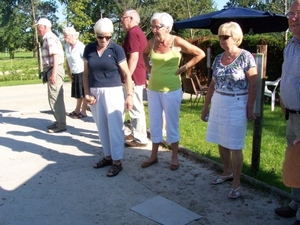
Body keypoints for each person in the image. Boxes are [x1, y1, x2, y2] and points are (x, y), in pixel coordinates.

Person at [200, 22, 258, 199]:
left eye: (225, 37)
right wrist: (205, 106)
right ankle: (227, 172)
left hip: (237, 103)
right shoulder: (218, 58)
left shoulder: (246, 57)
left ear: (236, 38)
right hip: (219, 101)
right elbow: (212, 84)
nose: (221, 40)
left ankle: (237, 182)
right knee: (221, 139)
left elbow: (254, 83)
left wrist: (249, 108)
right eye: (219, 36)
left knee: (234, 144)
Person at [142, 12, 205, 170]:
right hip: (153, 89)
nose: (154, 30)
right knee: (155, 123)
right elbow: (143, 53)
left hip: (171, 89)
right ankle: (154, 155)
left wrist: (185, 67)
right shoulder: (152, 42)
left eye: (157, 27)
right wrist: (148, 68)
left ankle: (174, 156)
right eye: (153, 26)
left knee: (172, 123)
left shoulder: (176, 41)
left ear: (168, 27)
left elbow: (200, 53)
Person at [83, 18, 133, 177]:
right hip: (95, 92)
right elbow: (85, 74)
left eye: (108, 37)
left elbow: (127, 73)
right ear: (95, 35)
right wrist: (86, 93)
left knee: (115, 126)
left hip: (113, 91)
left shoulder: (116, 49)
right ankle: (108, 156)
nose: (104, 40)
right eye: (100, 37)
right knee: (102, 126)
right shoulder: (88, 49)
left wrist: (129, 95)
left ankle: (117, 162)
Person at [274, 0, 300, 224]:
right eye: (291, 13)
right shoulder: (291, 44)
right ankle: (296, 203)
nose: (293, 18)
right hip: (292, 114)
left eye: (298, 13)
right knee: (294, 161)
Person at [120, 9, 148, 148]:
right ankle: (137, 132)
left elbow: (134, 56)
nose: (121, 21)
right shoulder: (138, 33)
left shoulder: (132, 33)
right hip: (138, 75)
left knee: (135, 107)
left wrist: (127, 76)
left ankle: (140, 138)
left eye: (122, 18)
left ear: (130, 19)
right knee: (134, 106)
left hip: (134, 76)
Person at [34, 18, 67, 133]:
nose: (38, 30)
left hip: (54, 69)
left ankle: (61, 124)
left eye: (39, 27)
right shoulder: (48, 38)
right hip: (52, 69)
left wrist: (53, 73)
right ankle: (58, 121)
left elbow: (55, 56)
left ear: (45, 27)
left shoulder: (49, 38)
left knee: (55, 98)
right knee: (54, 98)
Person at [63, 27, 88, 119]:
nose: (64, 37)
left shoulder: (81, 46)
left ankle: (84, 111)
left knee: (84, 93)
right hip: (74, 72)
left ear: (72, 35)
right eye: (64, 35)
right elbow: (67, 59)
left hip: (82, 71)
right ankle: (77, 110)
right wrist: (68, 72)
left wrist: (86, 74)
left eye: (66, 35)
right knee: (78, 93)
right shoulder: (67, 45)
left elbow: (86, 60)